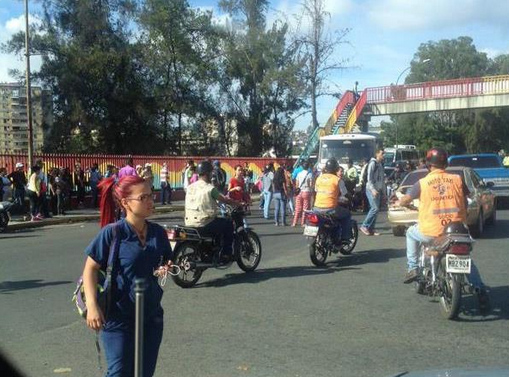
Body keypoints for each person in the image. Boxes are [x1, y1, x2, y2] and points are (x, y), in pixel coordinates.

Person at [81, 175, 173, 376]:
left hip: (151, 315)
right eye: (143, 198)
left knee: (144, 372)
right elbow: (90, 268)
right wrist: (92, 307)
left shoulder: (158, 233)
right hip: (117, 317)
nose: (150, 201)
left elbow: (165, 260)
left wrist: (166, 267)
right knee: (119, 372)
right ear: (125, 203)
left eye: (151, 195)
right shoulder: (112, 233)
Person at [394, 148, 490, 312]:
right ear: (445, 164)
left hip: (432, 231)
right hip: (457, 231)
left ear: (428, 165)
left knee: (410, 233)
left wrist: (400, 203)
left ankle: (412, 268)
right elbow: (466, 198)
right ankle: (479, 288)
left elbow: (405, 200)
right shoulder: (457, 179)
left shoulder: (422, 183)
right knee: (466, 260)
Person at [184, 160, 242, 263]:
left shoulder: (190, 187)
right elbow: (224, 199)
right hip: (204, 222)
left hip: (189, 222)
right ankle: (226, 254)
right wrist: (236, 203)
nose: (212, 175)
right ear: (207, 174)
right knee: (228, 224)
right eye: (211, 173)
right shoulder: (210, 188)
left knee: (219, 223)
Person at [313, 158, 352, 242]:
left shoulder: (319, 178)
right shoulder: (337, 180)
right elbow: (345, 194)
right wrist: (351, 198)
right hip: (330, 209)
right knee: (347, 214)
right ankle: (345, 237)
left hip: (316, 208)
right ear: (336, 169)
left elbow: (316, 191)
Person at [360, 149, 385, 236]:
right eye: (382, 154)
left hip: (378, 190)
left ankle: (371, 228)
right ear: (377, 154)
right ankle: (365, 225)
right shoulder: (372, 163)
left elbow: (382, 180)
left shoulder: (380, 165)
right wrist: (373, 190)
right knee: (375, 208)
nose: (383, 155)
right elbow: (369, 179)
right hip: (371, 189)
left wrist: (383, 193)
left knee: (376, 209)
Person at [292, 160, 313, 227]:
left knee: (297, 208)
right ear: (308, 167)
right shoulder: (310, 174)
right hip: (306, 191)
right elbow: (311, 184)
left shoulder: (299, 174)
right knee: (305, 208)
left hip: (299, 192)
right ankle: (302, 223)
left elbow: (297, 184)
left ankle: (294, 222)